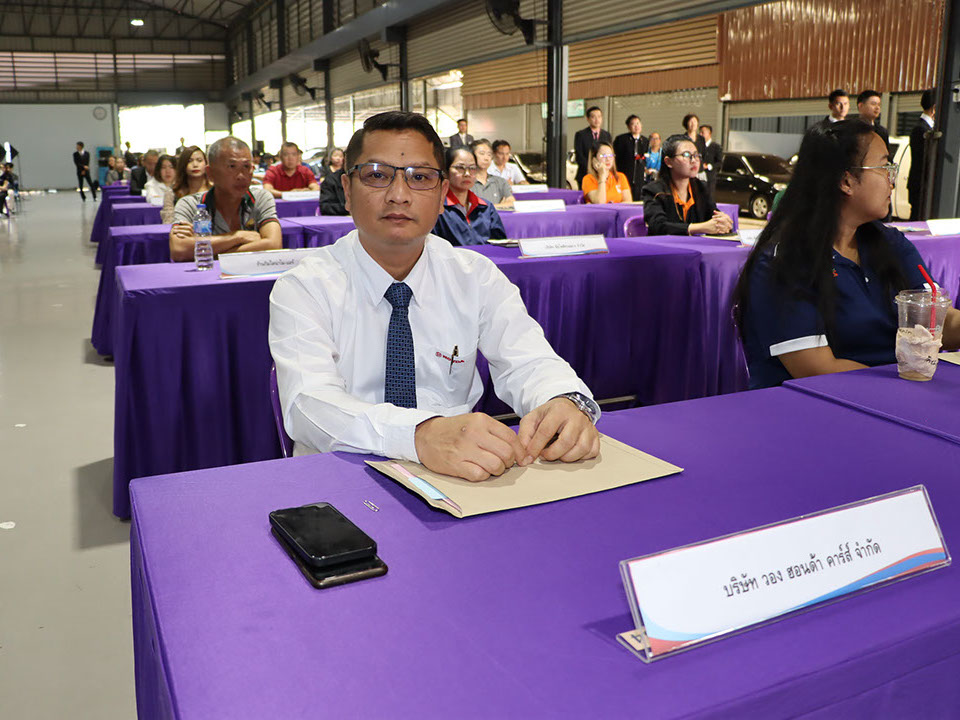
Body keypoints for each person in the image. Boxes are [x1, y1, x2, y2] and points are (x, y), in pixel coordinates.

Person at [268, 110, 600, 481]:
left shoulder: (475, 277)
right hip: (340, 476)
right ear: (347, 190)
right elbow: (309, 404)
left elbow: (529, 360)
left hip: (459, 477)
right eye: (376, 175)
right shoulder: (304, 286)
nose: (398, 195)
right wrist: (417, 435)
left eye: (420, 177)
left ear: (443, 195)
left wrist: (563, 399)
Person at [733, 119, 960, 389]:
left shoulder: (890, 243)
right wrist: (903, 387)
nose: (892, 180)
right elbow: (816, 369)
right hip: (822, 403)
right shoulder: (786, 260)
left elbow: (939, 320)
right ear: (846, 181)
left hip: (891, 393)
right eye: (884, 167)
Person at [169, 136, 282, 262]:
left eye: (246, 166)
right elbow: (179, 250)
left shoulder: (260, 198)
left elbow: (274, 245)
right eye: (232, 166)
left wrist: (205, 249)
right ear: (210, 173)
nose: (241, 176)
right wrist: (238, 236)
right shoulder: (190, 204)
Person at [641, 134, 732, 236]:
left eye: (696, 155)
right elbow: (658, 226)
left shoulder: (701, 187)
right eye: (686, 155)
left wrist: (723, 221)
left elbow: (713, 216)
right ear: (668, 162)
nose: (694, 160)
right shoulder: (653, 190)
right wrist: (700, 228)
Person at [433, 146, 507, 246]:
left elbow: (501, 245)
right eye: (460, 168)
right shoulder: (437, 209)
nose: (467, 173)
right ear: (445, 171)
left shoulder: (486, 207)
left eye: (472, 168)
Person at [907, 89, 936, 221]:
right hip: (921, 187)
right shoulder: (921, 129)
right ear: (934, 108)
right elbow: (924, 160)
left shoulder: (927, 128)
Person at [574, 106, 612, 187]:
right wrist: (592, 168)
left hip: (604, 175)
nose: (597, 119)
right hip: (585, 174)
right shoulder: (581, 135)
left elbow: (609, 154)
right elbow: (579, 155)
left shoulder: (607, 135)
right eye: (593, 117)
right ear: (588, 119)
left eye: (599, 116)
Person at [613, 115, 649, 200]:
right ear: (629, 127)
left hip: (639, 176)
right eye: (633, 124)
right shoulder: (621, 139)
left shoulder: (645, 141)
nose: (636, 126)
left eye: (638, 123)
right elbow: (616, 157)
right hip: (625, 174)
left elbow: (645, 157)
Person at [471, 139, 514, 209]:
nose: (486, 158)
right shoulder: (466, 183)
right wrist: (500, 206)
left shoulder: (501, 182)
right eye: (482, 153)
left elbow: (511, 203)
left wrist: (487, 207)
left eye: (489, 154)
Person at [144, 154, 177, 223]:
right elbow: (152, 200)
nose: (167, 171)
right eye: (164, 168)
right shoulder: (151, 185)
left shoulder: (181, 184)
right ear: (158, 170)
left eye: (171, 167)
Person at [699, 125, 723, 198]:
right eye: (700, 132)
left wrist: (709, 166)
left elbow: (719, 163)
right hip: (698, 177)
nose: (700, 134)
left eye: (702, 132)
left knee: (709, 198)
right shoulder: (698, 147)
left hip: (710, 178)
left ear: (709, 133)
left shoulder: (716, 147)